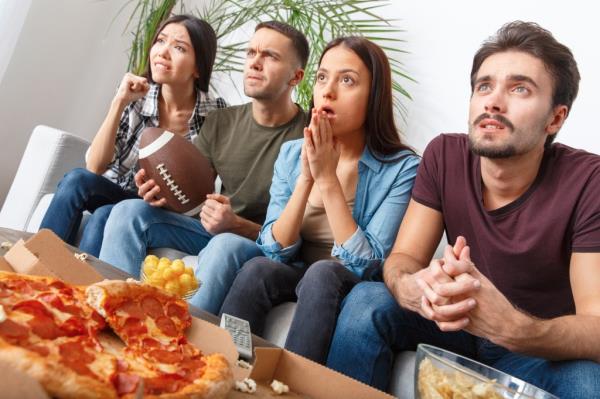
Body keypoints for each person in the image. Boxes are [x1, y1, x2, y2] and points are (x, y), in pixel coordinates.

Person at [326, 21, 600, 398]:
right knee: (366, 301)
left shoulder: (588, 181)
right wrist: (413, 287)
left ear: (555, 118)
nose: (493, 101)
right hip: (456, 329)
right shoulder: (444, 155)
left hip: (535, 350)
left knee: (588, 382)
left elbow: (596, 325)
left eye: (520, 88)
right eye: (484, 86)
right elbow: (403, 258)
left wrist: (518, 329)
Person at [220, 37, 420, 365]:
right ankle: (229, 366)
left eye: (347, 80)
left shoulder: (402, 168)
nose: (328, 91)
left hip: (349, 283)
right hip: (301, 271)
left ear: (374, 96)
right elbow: (273, 249)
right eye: (323, 77)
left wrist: (328, 180)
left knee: (324, 272)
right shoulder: (290, 152)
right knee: (257, 268)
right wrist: (307, 178)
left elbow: (369, 264)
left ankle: (296, 386)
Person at [99, 21, 309, 314]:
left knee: (225, 244)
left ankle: (175, 342)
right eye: (251, 53)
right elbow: (191, 194)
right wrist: (160, 192)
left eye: (270, 56)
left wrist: (236, 224)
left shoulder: (309, 137)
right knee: (128, 211)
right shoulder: (221, 122)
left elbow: (300, 239)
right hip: (216, 228)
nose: (255, 64)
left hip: (261, 243)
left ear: (296, 77)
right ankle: (112, 314)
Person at [39, 14, 226, 257]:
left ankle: (82, 291)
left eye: (179, 47)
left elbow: (201, 190)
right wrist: (119, 102)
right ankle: (34, 263)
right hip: (117, 189)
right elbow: (94, 167)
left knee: (104, 216)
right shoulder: (138, 97)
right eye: (160, 41)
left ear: (199, 67)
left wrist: (167, 199)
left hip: (160, 210)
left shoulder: (217, 114)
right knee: (76, 180)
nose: (163, 52)